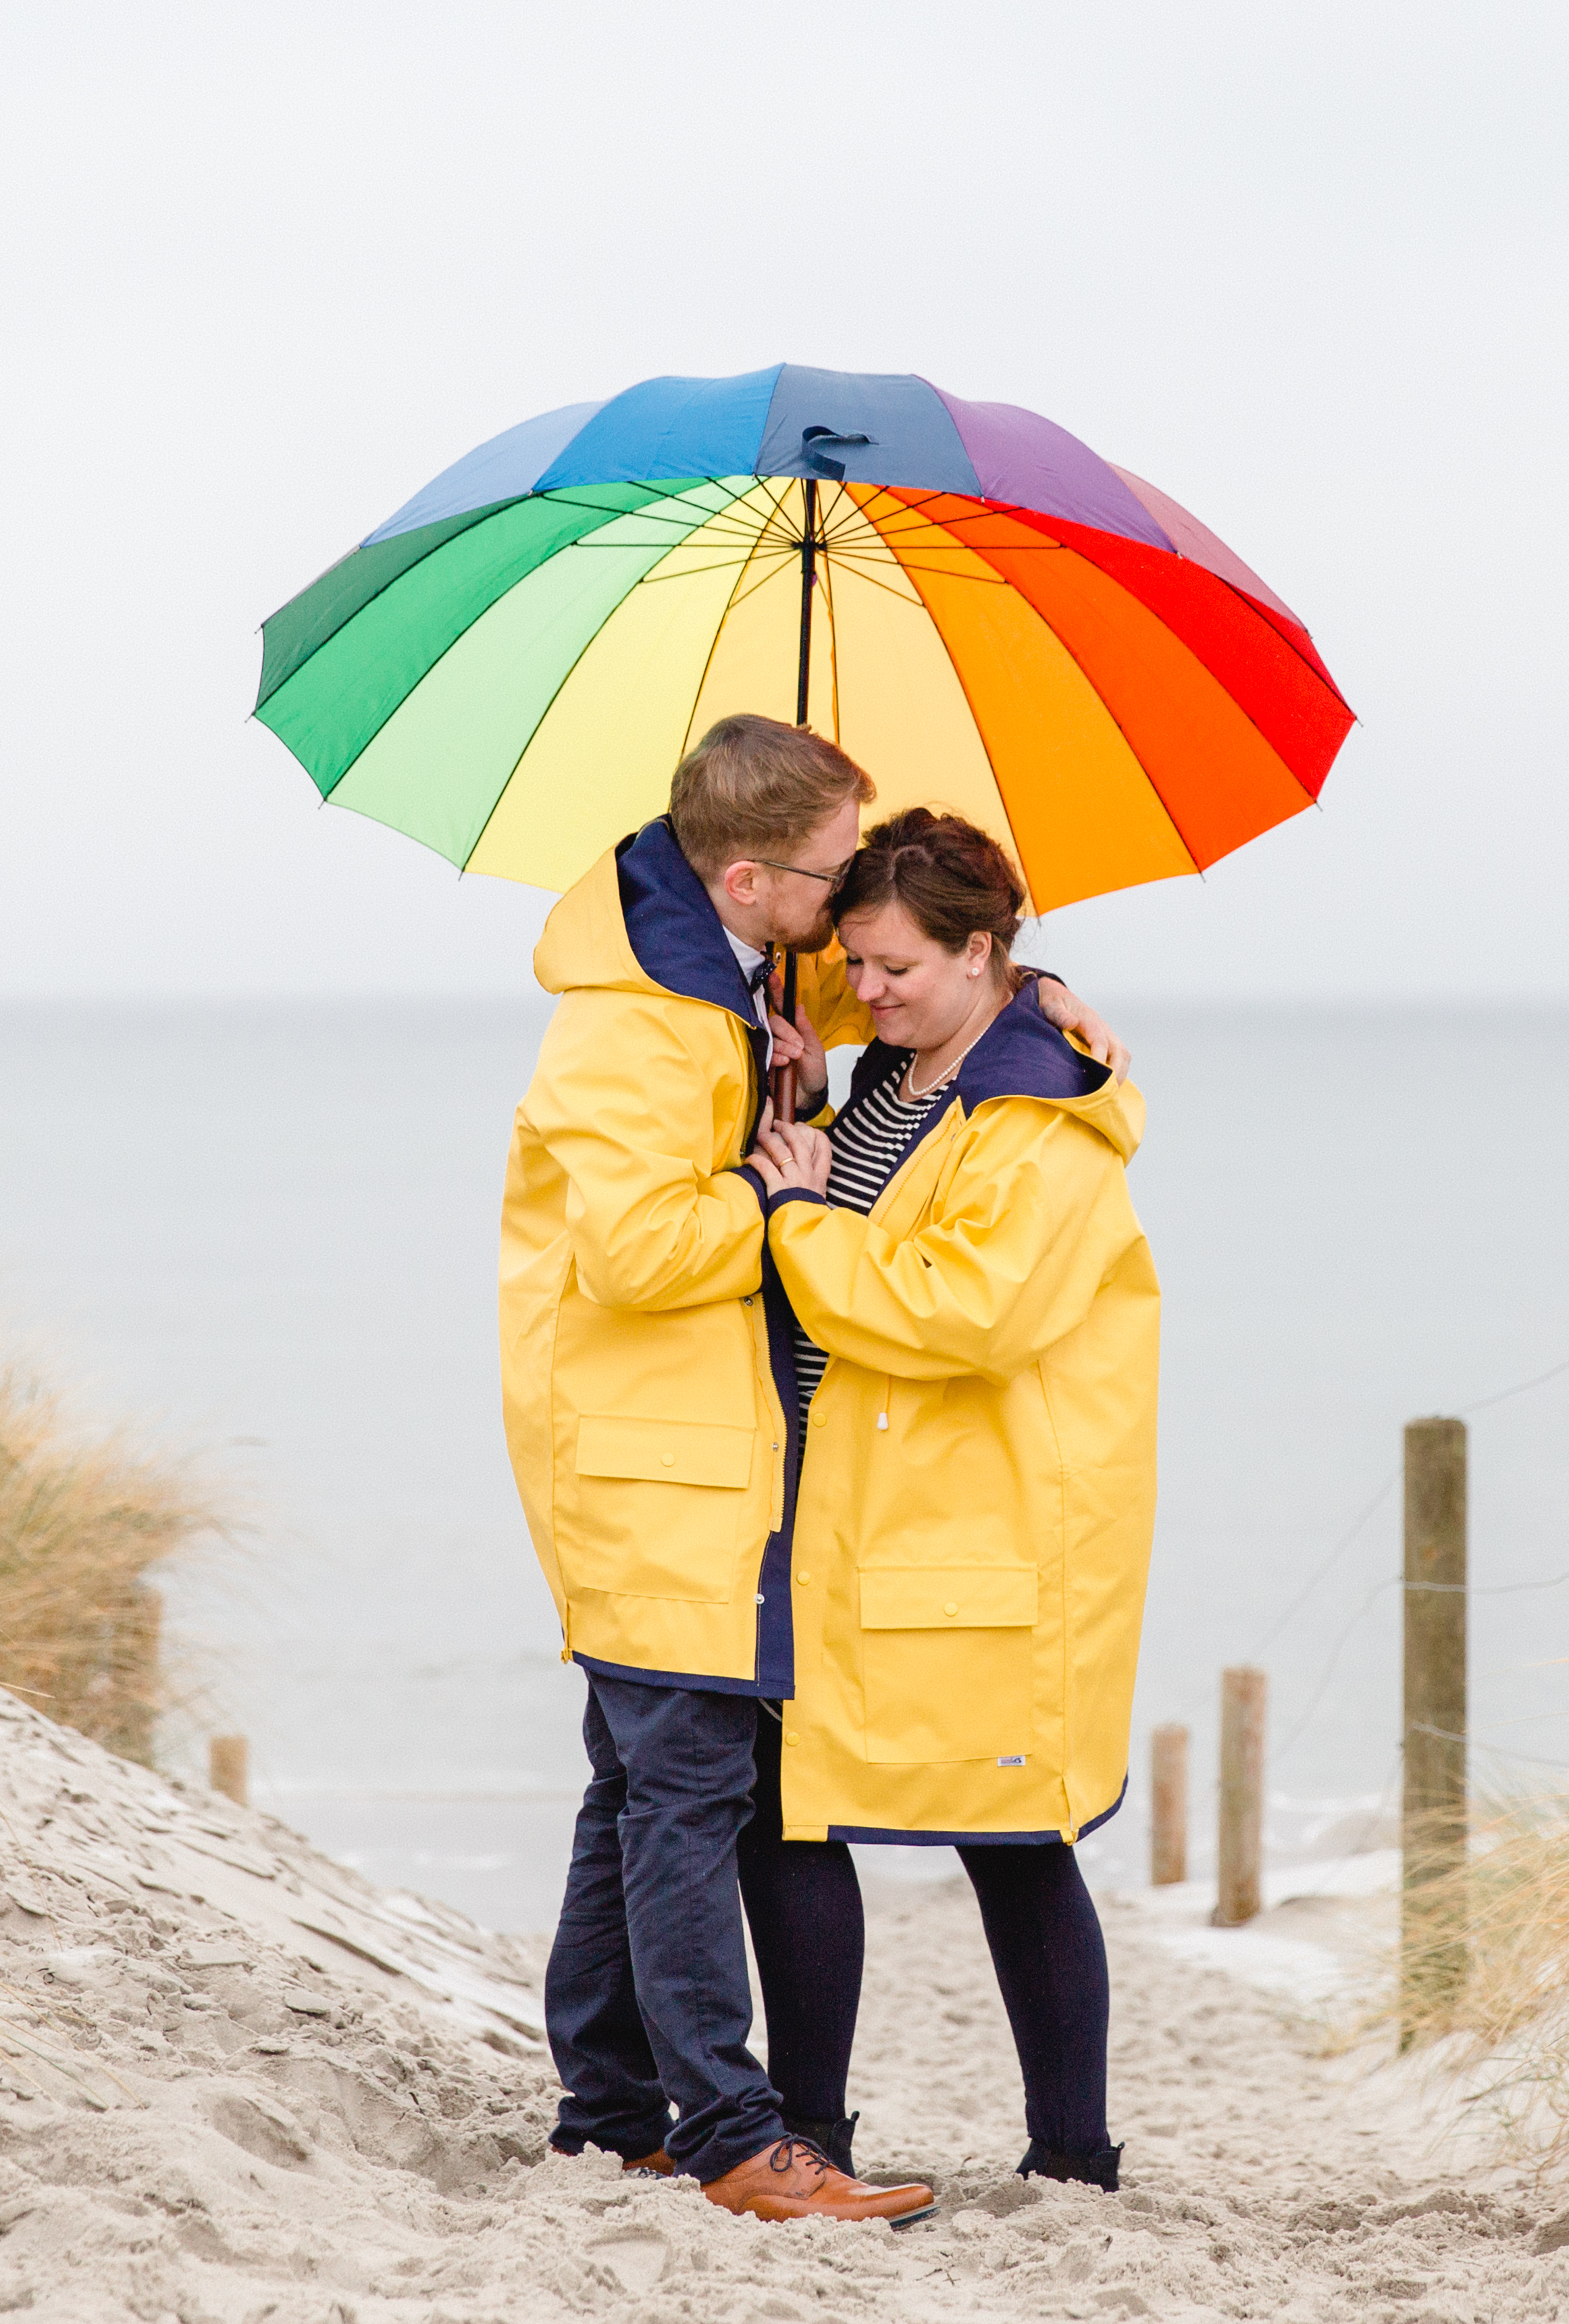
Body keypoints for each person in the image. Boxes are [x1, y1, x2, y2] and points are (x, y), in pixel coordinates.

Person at [500, 721, 1121, 2223]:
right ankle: (731, 2130)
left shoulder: (734, 990)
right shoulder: (642, 1019)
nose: (853, 947)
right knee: (694, 1789)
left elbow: (930, 1057)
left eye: (885, 936)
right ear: (746, 874)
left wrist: (806, 1081)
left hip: (764, 1473)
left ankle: (615, 2108)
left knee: (648, 1788)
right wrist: (772, 1188)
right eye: (831, 882)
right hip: (667, 1459)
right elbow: (647, 1246)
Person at [746, 808, 1156, 2193]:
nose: (866, 990)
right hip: (846, 1501)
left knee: (1012, 1832)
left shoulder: (1041, 1122)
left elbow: (960, 1312)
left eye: (895, 967)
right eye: (855, 962)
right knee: (792, 1805)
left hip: (976, 1524)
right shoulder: (900, 1075)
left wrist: (800, 1217)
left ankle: (1073, 2156)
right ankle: (809, 2133)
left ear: (986, 952)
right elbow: (873, 1202)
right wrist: (807, 1092)